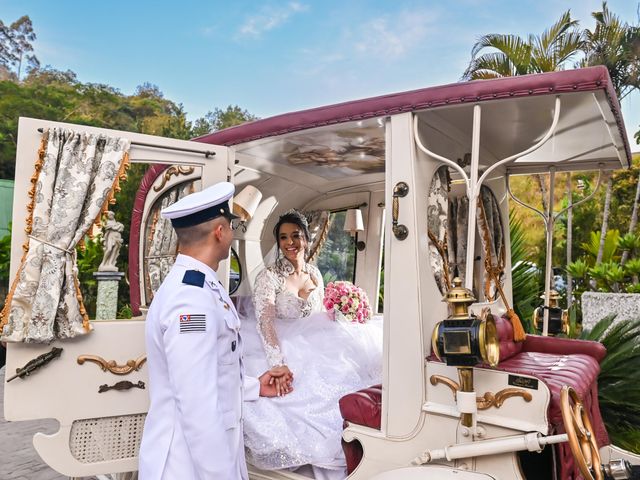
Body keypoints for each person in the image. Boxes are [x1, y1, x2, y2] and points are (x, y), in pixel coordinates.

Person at [139, 182, 292, 480]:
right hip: (185, 465)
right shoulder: (191, 298)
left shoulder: (202, 284)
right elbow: (197, 401)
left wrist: (254, 386)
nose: (233, 235)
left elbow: (210, 371)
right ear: (220, 232)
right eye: (231, 228)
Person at [239, 210, 383, 480]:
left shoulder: (315, 272)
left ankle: (365, 443)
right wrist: (277, 364)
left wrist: (345, 311)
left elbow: (320, 313)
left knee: (348, 367)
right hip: (279, 343)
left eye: (295, 235)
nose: (289, 242)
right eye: (283, 237)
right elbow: (265, 323)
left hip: (317, 337)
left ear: (306, 238)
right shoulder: (268, 278)